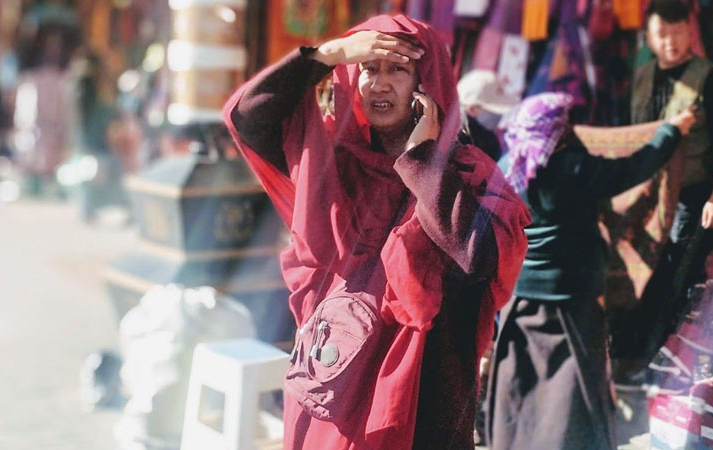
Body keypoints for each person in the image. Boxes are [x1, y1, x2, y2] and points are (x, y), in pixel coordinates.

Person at [223, 14, 529, 450]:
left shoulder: (468, 171)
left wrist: (423, 161)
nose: (380, 85)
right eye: (369, 68)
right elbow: (248, 116)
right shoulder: (333, 165)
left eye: (398, 69)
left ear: (428, 84)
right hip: (333, 388)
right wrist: (327, 55)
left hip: (424, 405)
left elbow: (480, 257)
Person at [485, 92, 695, 450]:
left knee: (522, 377)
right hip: (572, 296)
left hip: (519, 296)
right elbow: (633, 168)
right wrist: (669, 132)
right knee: (572, 383)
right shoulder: (573, 167)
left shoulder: (506, 166)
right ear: (557, 129)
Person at [609, 0, 713, 361]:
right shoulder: (640, 76)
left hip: (690, 193)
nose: (670, 41)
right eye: (662, 33)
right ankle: (623, 349)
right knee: (633, 269)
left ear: (689, 31)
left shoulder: (711, 77)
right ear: (649, 37)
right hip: (644, 195)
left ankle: (652, 354)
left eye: (677, 32)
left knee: (671, 272)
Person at [457, 69, 518, 161]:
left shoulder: (487, 139)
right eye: (495, 111)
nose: (500, 116)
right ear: (472, 109)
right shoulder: (470, 146)